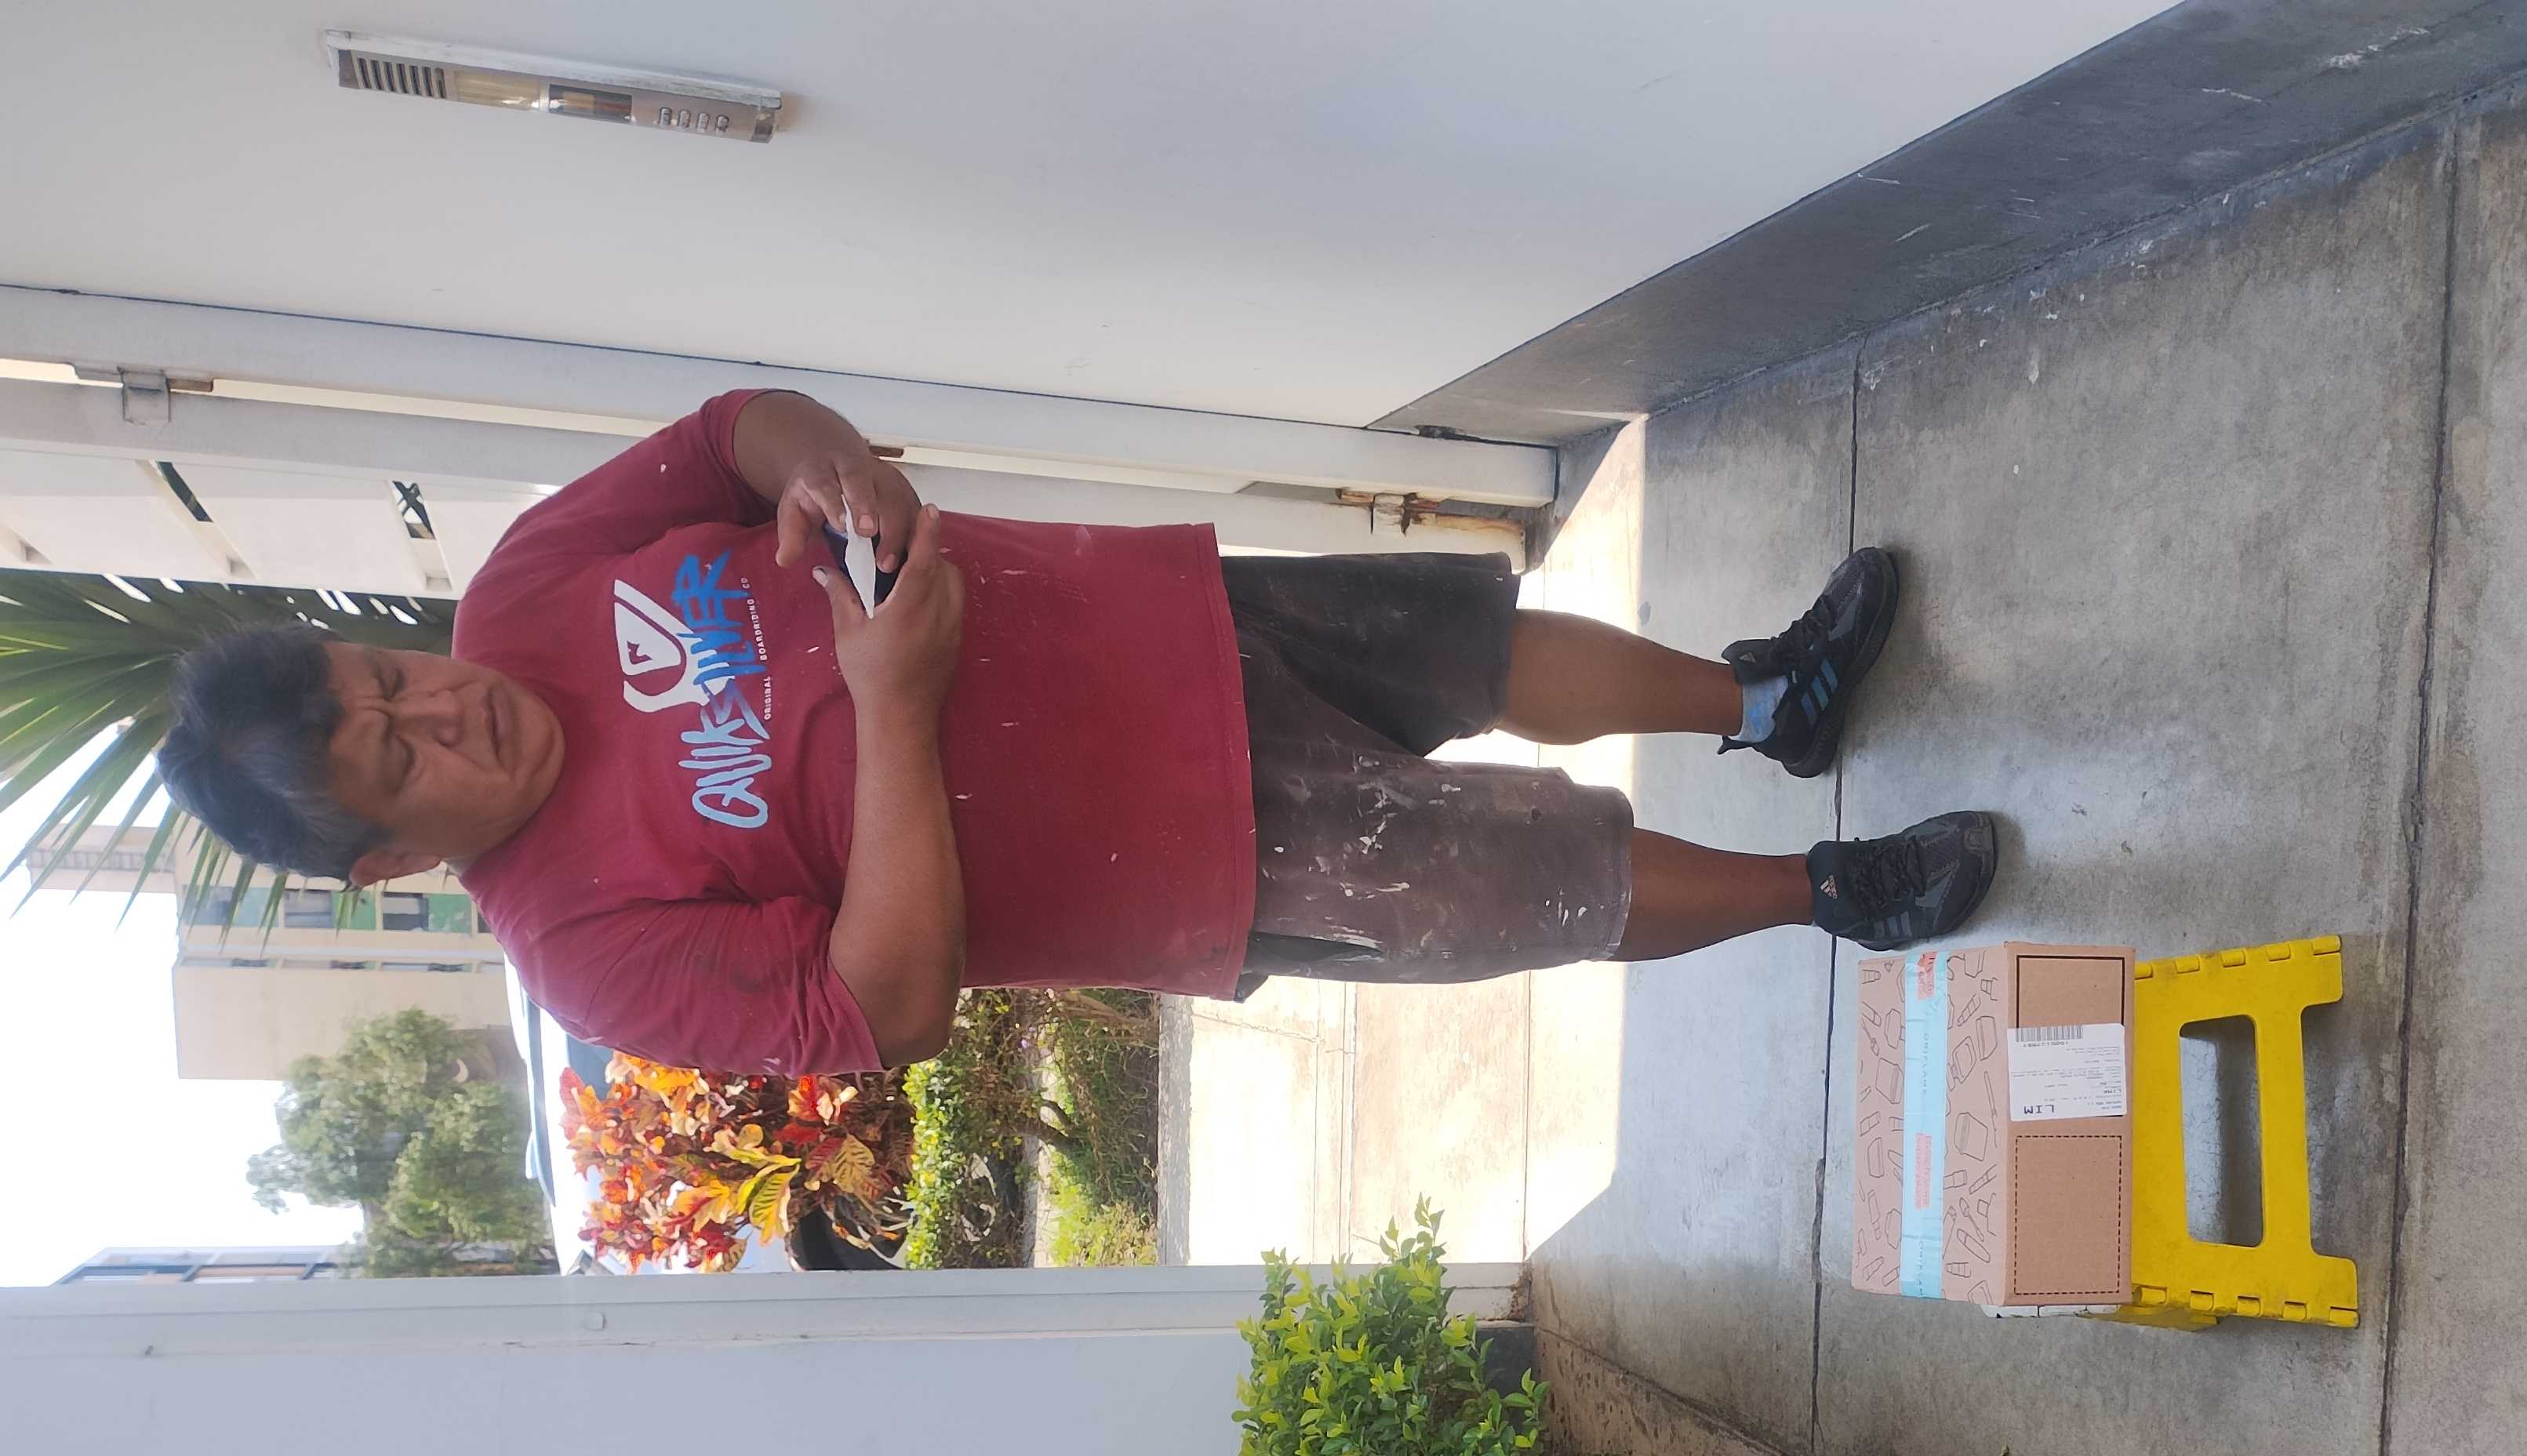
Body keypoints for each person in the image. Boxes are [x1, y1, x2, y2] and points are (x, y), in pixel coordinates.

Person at [158, 389, 1996, 1074]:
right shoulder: (584, 952)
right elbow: (882, 1010)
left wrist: (836, 469)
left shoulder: (525, 586)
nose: (441, 705)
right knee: (1550, 880)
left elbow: (732, 434)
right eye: (396, 756)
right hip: (1187, 854)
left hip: (1141, 613)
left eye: (380, 674)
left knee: (1472, 645)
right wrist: (893, 706)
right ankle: (1825, 892)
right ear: (388, 861)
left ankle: (1769, 697)